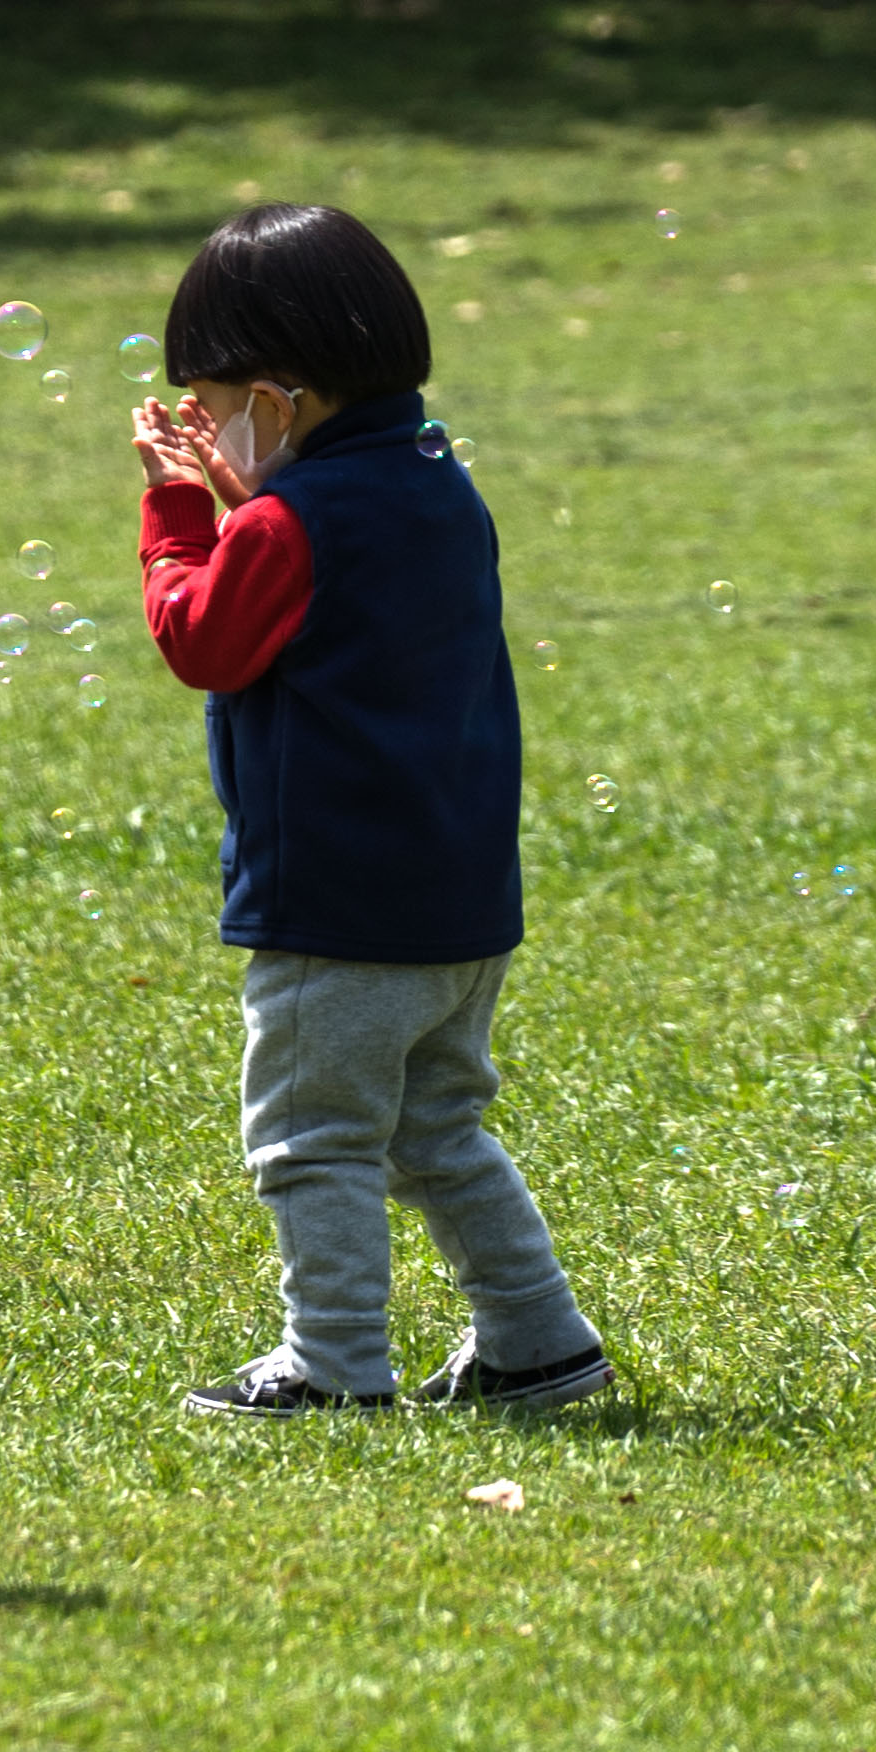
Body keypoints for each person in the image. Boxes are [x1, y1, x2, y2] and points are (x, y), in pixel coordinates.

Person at [131, 203, 612, 1420]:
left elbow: (204, 640)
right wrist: (245, 506)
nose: (208, 426)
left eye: (218, 399)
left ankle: (335, 1364)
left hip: (333, 907)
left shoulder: (289, 522)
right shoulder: (435, 483)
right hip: (456, 898)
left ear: (280, 401)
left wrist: (182, 517)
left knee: (314, 1140)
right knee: (437, 1129)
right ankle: (539, 1344)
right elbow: (327, 596)